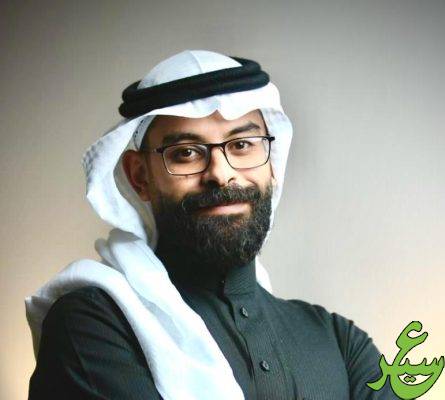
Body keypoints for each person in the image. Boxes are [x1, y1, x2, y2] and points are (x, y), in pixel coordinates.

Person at [26, 50, 398, 399]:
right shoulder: (94, 324)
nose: (220, 174)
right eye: (186, 153)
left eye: (242, 145)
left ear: (272, 162)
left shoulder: (339, 341)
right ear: (140, 177)